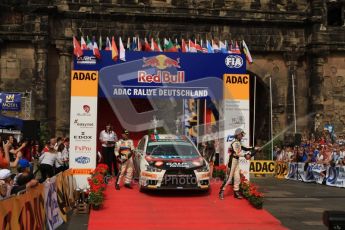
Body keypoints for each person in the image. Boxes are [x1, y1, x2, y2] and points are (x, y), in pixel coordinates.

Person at [219, 128, 259, 200]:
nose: (242, 136)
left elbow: (246, 148)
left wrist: (255, 148)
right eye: (241, 134)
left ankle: (236, 192)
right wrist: (245, 155)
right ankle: (221, 191)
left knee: (237, 178)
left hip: (236, 161)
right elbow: (238, 153)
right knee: (229, 178)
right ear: (238, 135)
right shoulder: (235, 143)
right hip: (232, 161)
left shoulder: (239, 143)